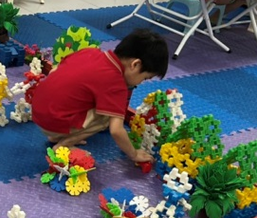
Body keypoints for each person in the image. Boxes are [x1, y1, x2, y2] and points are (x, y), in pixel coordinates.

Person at [30, 29, 167, 164]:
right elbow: (116, 130)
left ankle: (57, 135)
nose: (141, 82)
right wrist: (134, 154)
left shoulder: (90, 52)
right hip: (52, 121)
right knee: (108, 116)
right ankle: (63, 144)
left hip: (37, 110)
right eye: (144, 78)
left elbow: (54, 71)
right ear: (135, 65)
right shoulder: (117, 84)